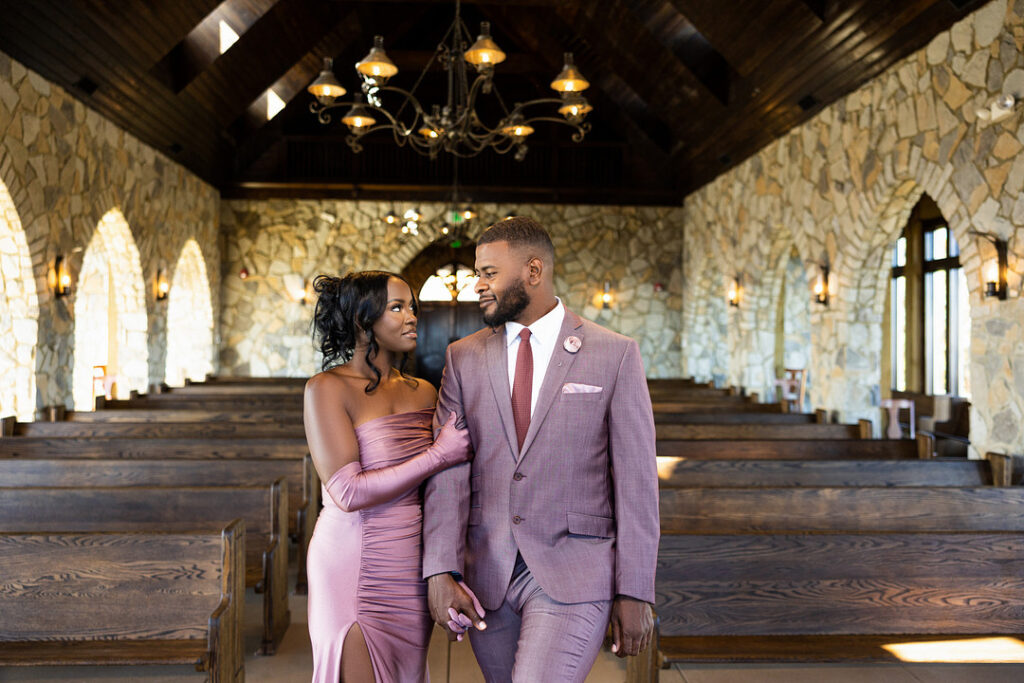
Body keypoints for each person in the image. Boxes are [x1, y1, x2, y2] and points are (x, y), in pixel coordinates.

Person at [421, 217, 660, 682]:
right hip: (487, 571)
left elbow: (636, 481)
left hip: (575, 569)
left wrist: (635, 590)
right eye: (477, 273)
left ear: (533, 271)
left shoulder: (614, 353)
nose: (477, 285)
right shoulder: (463, 356)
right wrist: (440, 570)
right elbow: (449, 473)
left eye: (489, 272)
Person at [303, 271, 476, 683]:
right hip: (352, 558)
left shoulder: (424, 392)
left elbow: (442, 492)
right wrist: (438, 455)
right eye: (397, 308)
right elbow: (346, 491)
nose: (412, 317)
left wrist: (450, 571)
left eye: (412, 306)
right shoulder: (326, 388)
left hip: (409, 565)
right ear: (364, 322)